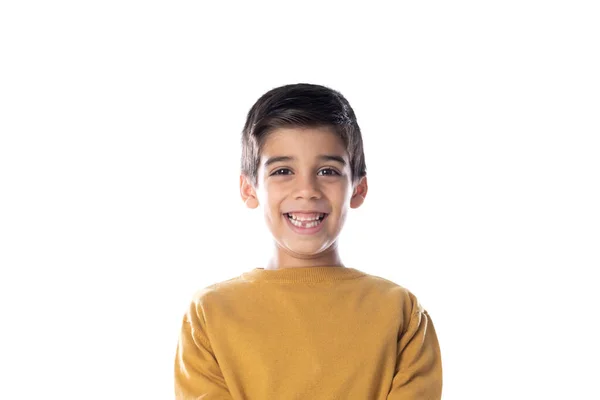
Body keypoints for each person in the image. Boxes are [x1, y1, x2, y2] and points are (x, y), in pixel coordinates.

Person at [174, 83, 443, 399]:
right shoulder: (210, 314)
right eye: (283, 170)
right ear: (249, 188)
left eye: (328, 171)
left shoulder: (401, 313)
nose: (307, 190)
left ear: (358, 188)